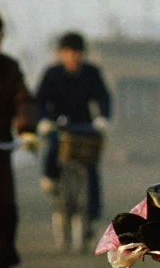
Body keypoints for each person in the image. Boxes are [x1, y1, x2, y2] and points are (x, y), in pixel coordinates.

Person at [36, 32, 111, 231]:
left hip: (84, 124)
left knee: (91, 167)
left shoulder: (91, 73)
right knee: (53, 146)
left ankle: (92, 213)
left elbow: (103, 97)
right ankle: (49, 177)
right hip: (57, 124)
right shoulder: (51, 74)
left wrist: (103, 118)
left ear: (82, 54)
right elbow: (41, 101)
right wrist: (44, 120)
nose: (73, 57)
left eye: (77, 53)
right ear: (62, 54)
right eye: (69, 53)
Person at [0, 12, 37, 268]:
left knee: (6, 209)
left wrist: (26, 130)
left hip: (1, 150)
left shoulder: (9, 68)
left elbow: (23, 100)